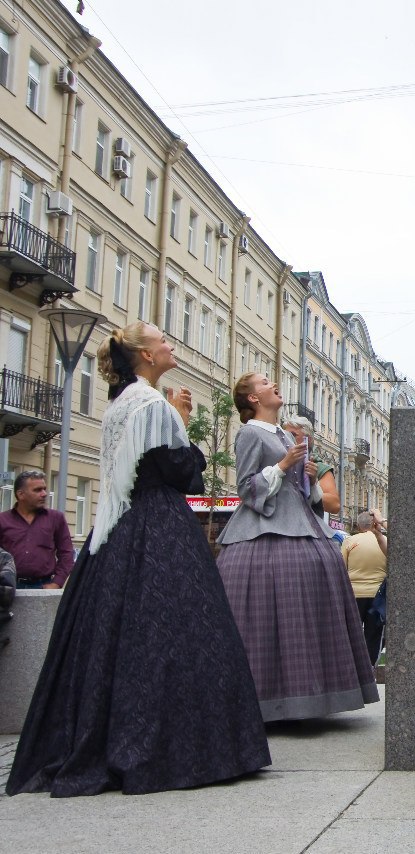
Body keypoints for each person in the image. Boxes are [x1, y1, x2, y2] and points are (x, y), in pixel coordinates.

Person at [6, 322, 269, 797]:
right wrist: (182, 424)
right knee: (174, 634)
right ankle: (173, 747)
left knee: (112, 639)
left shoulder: (120, 404)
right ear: (146, 356)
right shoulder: (153, 404)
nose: (171, 343)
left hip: (115, 534)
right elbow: (183, 473)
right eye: (163, 339)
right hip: (158, 528)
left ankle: (100, 736)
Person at [217, 372, 379, 722]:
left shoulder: (282, 434)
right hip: (263, 529)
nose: (272, 383)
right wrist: (284, 464)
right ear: (253, 399)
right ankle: (264, 698)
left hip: (302, 521)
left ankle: (311, 696)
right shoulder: (249, 433)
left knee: (312, 588)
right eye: (263, 382)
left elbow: (308, 494)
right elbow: (246, 488)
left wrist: (307, 477)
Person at [0, 470, 74, 589]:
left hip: (43, 586)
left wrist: (57, 582)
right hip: (9, 586)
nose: (44, 493)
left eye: (44, 489)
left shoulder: (56, 518)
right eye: (37, 490)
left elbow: (67, 553)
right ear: (21, 494)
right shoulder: (3, 520)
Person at [341, 510, 389, 666]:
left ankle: (352, 667)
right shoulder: (384, 540)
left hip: (353, 593)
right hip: (377, 595)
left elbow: (341, 567)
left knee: (351, 633)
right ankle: (369, 668)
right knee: (373, 635)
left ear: (358, 525)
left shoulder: (349, 541)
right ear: (375, 523)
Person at [281, 414, 340, 526]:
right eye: (284, 434)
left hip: (307, 527)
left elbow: (334, 505)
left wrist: (312, 485)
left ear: (308, 440)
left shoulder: (318, 467)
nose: (287, 438)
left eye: (293, 435)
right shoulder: (278, 461)